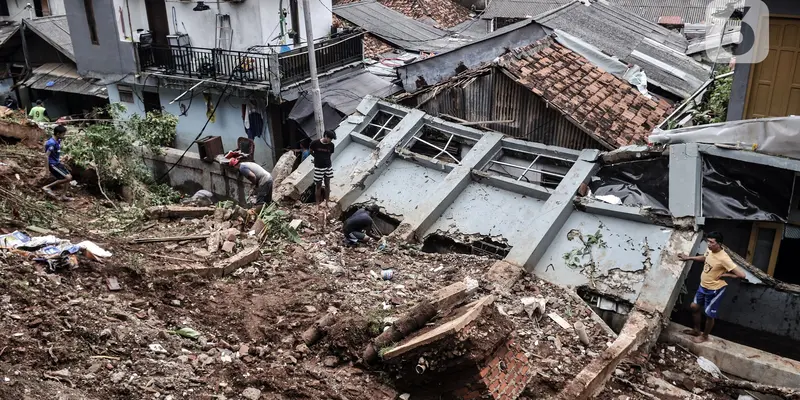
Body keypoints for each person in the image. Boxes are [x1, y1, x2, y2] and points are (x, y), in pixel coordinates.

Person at [678, 231, 746, 343]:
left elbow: (742, 275)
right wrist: (688, 258)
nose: (709, 244)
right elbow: (705, 258)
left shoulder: (724, 258)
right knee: (694, 307)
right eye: (708, 241)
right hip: (703, 286)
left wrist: (725, 274)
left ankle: (704, 336)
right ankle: (696, 330)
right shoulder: (710, 250)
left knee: (709, 314)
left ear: (719, 244)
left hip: (714, 290)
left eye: (711, 242)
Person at [42, 125, 72, 199]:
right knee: (68, 178)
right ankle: (47, 187)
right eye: (63, 134)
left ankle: (63, 195)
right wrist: (47, 170)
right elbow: (46, 156)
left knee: (69, 176)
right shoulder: (51, 143)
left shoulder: (57, 140)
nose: (64, 136)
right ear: (58, 134)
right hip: (53, 164)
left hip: (57, 163)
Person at [309, 130, 336, 208]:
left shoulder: (331, 145)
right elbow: (311, 151)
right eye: (330, 138)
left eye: (332, 139)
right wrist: (316, 157)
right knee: (318, 185)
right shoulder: (315, 143)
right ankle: (317, 203)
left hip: (328, 166)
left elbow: (329, 154)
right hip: (318, 167)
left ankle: (327, 201)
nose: (330, 140)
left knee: (327, 184)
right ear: (325, 136)